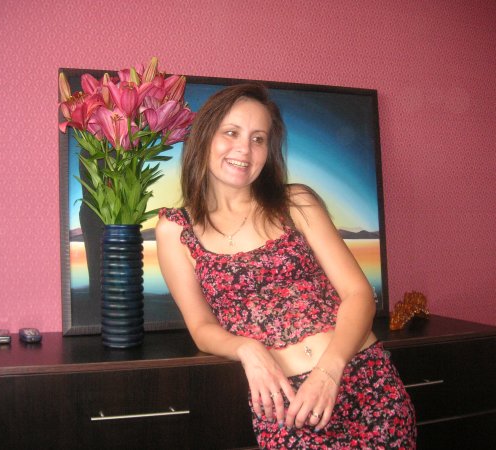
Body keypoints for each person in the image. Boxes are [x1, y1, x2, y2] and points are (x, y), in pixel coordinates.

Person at [155, 83, 416, 449]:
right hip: (285, 402)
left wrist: (329, 371)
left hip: (362, 379)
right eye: (231, 132)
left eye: (258, 139)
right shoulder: (175, 230)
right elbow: (201, 327)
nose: (244, 149)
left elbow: (358, 294)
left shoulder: (295, 203)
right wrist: (246, 348)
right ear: (204, 137)